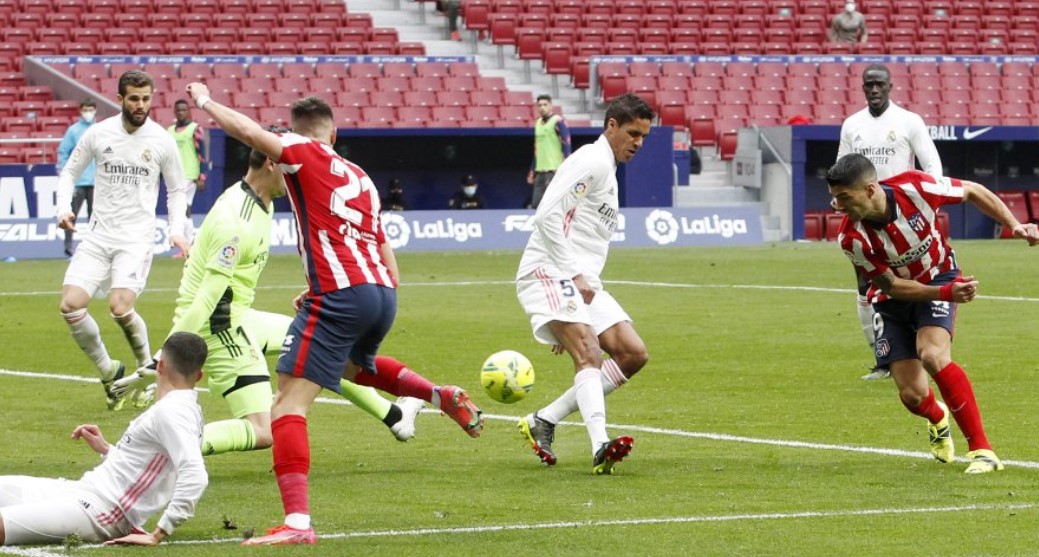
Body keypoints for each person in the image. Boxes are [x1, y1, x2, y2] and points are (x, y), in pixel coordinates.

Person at [184, 84, 484, 545]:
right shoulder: (360, 175)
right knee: (349, 370)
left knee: (286, 404)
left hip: (342, 294)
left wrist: (204, 101)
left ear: (297, 135)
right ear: (336, 131)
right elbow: (388, 258)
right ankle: (438, 394)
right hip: (381, 292)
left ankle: (297, 523)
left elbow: (247, 130)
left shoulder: (302, 151)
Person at [110, 141, 427, 455]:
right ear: (272, 164)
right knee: (262, 431)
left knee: (317, 349)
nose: (296, 174)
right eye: (289, 166)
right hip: (219, 328)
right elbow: (207, 299)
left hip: (238, 315)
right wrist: (164, 359)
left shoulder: (261, 200)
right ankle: (156, 451)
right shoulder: (234, 219)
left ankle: (395, 416)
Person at [827, 154, 1039, 474]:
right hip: (892, 298)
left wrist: (1014, 226)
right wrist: (946, 294)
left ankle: (982, 451)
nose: (836, 205)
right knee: (912, 395)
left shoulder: (916, 187)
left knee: (932, 354)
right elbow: (894, 286)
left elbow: (972, 190)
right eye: (833, 197)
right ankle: (938, 417)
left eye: (844, 197)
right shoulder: (852, 239)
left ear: (870, 190)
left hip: (938, 275)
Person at [515, 93, 654, 475]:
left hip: (580, 282)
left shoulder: (606, 169)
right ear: (611, 126)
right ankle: (599, 445)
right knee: (589, 352)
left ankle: (545, 418)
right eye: (632, 133)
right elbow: (546, 215)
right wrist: (573, 279)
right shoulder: (590, 160)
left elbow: (585, 235)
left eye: (643, 136)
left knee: (631, 353)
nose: (638, 143)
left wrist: (577, 299)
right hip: (549, 270)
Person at [56, 70, 190, 411]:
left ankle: (148, 373)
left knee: (119, 307)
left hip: (136, 239)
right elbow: (70, 172)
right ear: (119, 99)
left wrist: (178, 229)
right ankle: (109, 371)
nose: (141, 105)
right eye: (134, 98)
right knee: (70, 304)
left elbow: (176, 188)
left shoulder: (161, 140)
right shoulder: (99, 134)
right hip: (99, 235)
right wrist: (62, 208)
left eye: (146, 98)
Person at [0, 332, 208, 546]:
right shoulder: (180, 408)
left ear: (160, 365)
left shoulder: (174, 411)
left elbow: (195, 474)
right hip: (83, 491)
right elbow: (152, 464)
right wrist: (107, 450)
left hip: (102, 512)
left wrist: (159, 532)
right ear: (199, 375)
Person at [838, 63, 944, 381]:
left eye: (879, 84)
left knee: (915, 280)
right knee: (867, 286)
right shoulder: (851, 125)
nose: (873, 90)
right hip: (866, 220)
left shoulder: (909, 121)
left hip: (904, 216)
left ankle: (928, 345)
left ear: (890, 86)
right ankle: (883, 360)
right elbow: (841, 166)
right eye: (868, 85)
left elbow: (931, 163)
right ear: (862, 88)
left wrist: (930, 205)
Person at [56, 98, 98, 258]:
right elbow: (63, 151)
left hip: (96, 182)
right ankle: (68, 248)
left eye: (91, 109)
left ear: (95, 110)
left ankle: (93, 250)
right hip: (78, 182)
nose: (88, 113)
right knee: (70, 215)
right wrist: (64, 171)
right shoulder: (73, 131)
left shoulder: (99, 129)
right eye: (86, 109)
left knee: (95, 218)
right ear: (81, 111)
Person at [167, 99, 207, 257]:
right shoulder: (170, 130)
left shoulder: (195, 129)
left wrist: (202, 175)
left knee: (181, 208)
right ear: (174, 112)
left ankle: (187, 247)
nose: (181, 113)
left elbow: (201, 153)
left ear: (188, 111)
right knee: (185, 209)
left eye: (184, 110)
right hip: (174, 174)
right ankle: (189, 247)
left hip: (189, 174)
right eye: (178, 110)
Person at [527, 95, 572, 210]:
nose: (542, 108)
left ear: (551, 106)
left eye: (545, 105)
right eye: (540, 105)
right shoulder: (537, 124)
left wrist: (567, 167)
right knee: (536, 205)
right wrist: (532, 171)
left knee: (553, 205)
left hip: (554, 170)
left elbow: (566, 144)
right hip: (540, 171)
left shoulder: (558, 121)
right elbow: (537, 150)